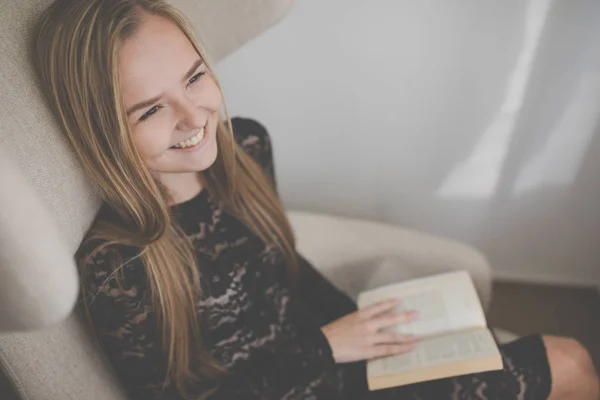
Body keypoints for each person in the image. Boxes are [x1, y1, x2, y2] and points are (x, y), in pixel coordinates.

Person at [31, 0, 599, 399]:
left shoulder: (245, 146)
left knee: (565, 357)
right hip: (300, 376)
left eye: (195, 77)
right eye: (151, 110)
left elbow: (283, 269)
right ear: (101, 128)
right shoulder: (118, 266)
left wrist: (362, 327)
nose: (194, 117)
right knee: (568, 364)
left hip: (333, 355)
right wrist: (327, 347)